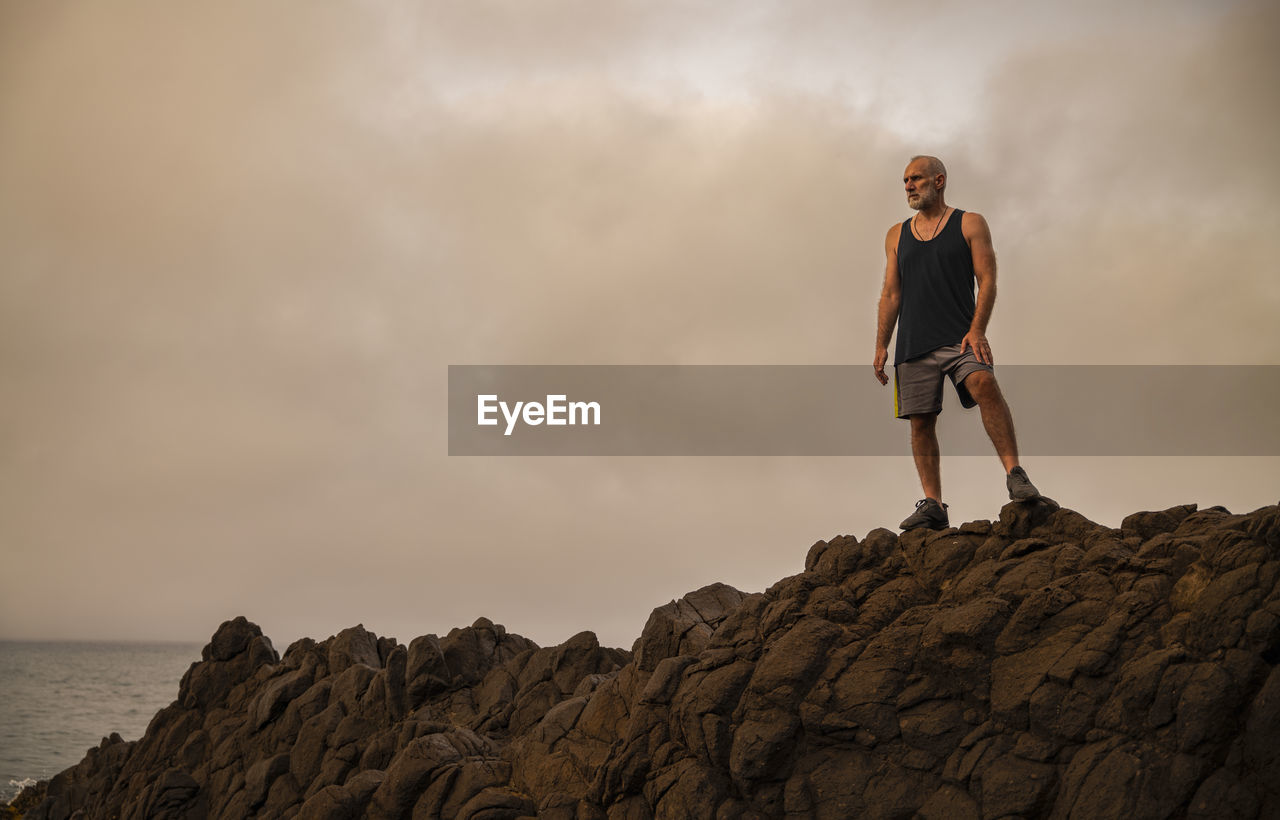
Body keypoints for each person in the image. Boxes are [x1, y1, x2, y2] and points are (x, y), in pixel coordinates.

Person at [873, 155, 1041, 531]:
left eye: (916, 178)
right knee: (920, 422)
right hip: (913, 344)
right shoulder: (896, 235)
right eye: (904, 181)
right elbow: (890, 293)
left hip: (960, 337)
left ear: (939, 180)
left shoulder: (969, 223)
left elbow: (988, 279)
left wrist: (978, 329)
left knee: (984, 383)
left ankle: (1015, 474)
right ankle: (933, 504)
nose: (909, 186)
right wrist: (882, 345)